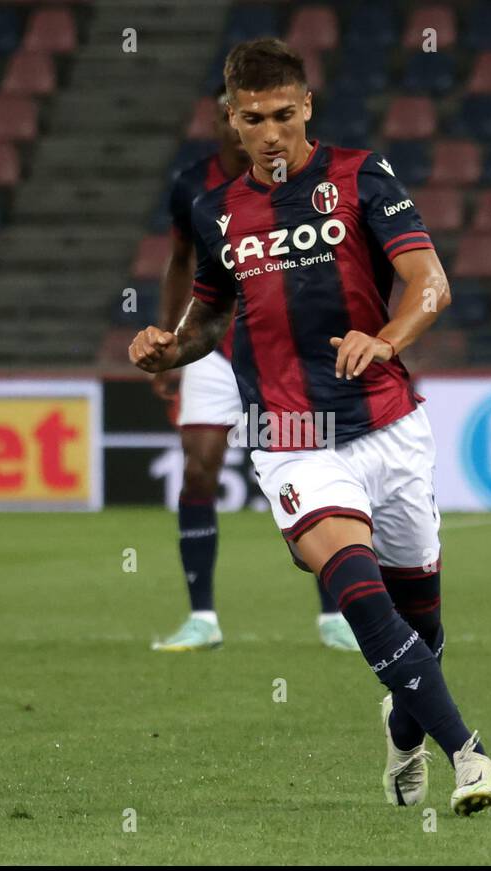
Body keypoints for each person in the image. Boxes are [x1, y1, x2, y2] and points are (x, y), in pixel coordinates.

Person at [129, 39, 491, 815]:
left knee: (422, 625)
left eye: (283, 115)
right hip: (289, 436)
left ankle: (404, 736)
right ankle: (470, 757)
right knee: (358, 591)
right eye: (253, 119)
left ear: (307, 108)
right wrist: (171, 345)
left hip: (390, 425)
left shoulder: (362, 177)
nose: (270, 133)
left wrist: (386, 339)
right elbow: (209, 318)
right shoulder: (217, 213)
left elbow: (429, 284)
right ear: (231, 121)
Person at [150, 85, 357, 654]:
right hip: (211, 352)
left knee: (308, 479)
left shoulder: (298, 180)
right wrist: (169, 342)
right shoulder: (192, 186)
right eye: (233, 117)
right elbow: (179, 263)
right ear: (226, 123)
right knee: (198, 470)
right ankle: (203, 618)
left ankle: (333, 615)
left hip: (280, 354)